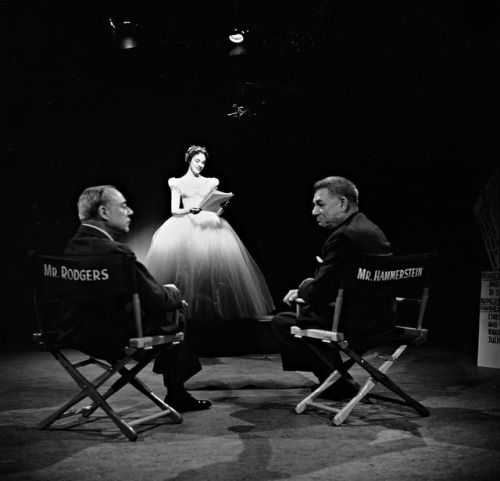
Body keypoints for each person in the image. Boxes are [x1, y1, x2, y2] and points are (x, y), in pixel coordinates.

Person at [62, 184, 211, 413]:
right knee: (174, 311)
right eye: (123, 206)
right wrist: (175, 294)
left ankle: (177, 390)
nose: (130, 211)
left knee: (164, 309)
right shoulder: (117, 253)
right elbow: (157, 298)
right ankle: (176, 393)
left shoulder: (69, 250)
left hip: (75, 335)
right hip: (115, 337)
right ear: (103, 212)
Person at [271, 176, 394, 400]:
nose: (314, 212)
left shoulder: (343, 237)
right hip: (382, 318)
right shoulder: (370, 229)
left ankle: (336, 383)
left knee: (284, 321)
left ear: (342, 203)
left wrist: (304, 287)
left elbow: (319, 294)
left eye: (320, 204)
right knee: (307, 315)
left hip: (357, 323)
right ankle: (336, 379)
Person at [145, 144, 275, 322]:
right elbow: (175, 210)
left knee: (213, 275)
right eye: (197, 161)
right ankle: (186, 316)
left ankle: (214, 318)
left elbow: (213, 210)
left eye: (203, 162)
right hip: (186, 227)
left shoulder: (211, 182)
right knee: (187, 272)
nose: (200, 164)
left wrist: (222, 207)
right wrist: (191, 209)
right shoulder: (177, 182)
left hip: (211, 227)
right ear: (189, 160)